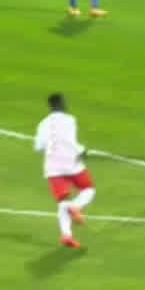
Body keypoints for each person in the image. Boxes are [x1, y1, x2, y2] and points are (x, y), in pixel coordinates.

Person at [34, 92, 91, 249]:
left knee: (63, 201)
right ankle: (75, 207)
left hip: (52, 166)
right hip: (71, 162)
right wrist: (82, 150)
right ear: (61, 104)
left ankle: (66, 235)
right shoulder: (70, 120)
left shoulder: (43, 123)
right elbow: (69, 140)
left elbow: (38, 147)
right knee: (88, 189)